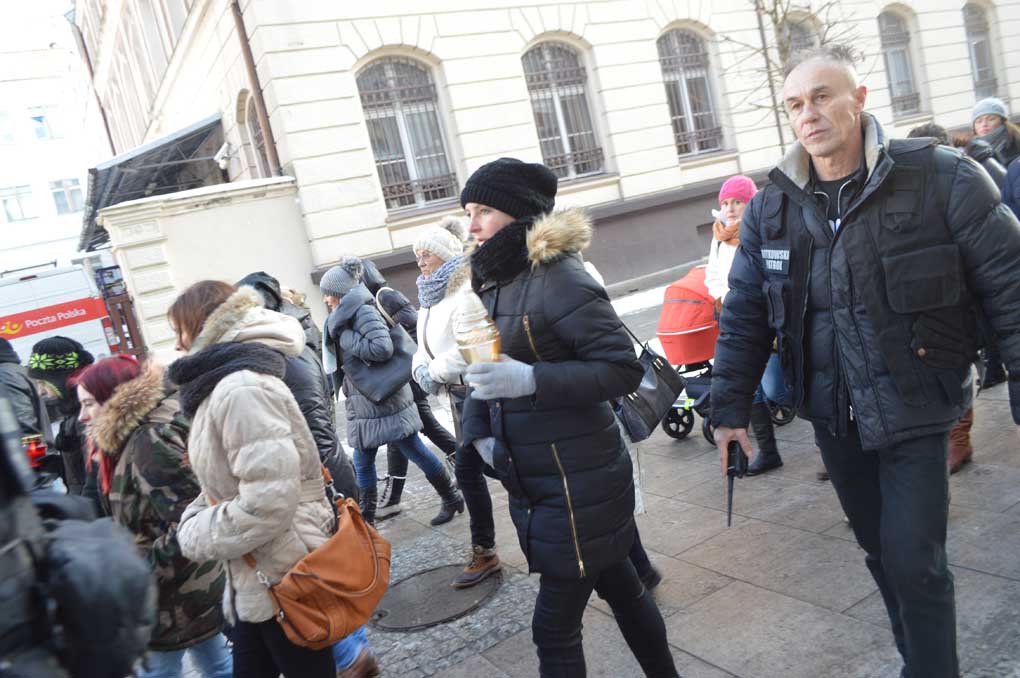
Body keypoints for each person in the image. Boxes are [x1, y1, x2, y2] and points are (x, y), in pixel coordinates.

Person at [711, 45, 1020, 678]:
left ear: (859, 99)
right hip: (833, 415)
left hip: (917, 401)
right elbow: (744, 314)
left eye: (822, 96)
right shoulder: (773, 207)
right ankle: (918, 661)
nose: (808, 114)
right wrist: (730, 408)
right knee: (880, 554)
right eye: (795, 104)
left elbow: (1009, 283)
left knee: (915, 562)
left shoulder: (942, 177)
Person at [458, 157, 678, 677]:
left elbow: (621, 369)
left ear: (518, 213)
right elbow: (488, 367)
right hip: (543, 474)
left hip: (577, 479)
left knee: (553, 630)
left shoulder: (559, 278)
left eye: (483, 211)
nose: (472, 226)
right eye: (468, 213)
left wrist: (532, 380)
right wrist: (479, 431)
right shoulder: (497, 278)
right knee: (623, 587)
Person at [168, 281, 339, 678]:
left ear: (203, 326)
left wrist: (195, 533)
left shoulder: (240, 389)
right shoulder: (223, 385)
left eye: (180, 331)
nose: (177, 344)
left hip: (283, 572)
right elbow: (226, 484)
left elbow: (269, 502)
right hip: (257, 574)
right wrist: (196, 515)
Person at [73, 355, 231, 678]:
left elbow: (189, 520)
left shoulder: (148, 440)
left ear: (113, 398)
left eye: (88, 404)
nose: (82, 416)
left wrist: (142, 573)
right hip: (182, 586)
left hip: (174, 590)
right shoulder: (131, 435)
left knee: (163, 671)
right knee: (216, 663)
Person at [321, 258, 463, 527]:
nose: (326, 299)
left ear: (340, 292)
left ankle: (449, 497)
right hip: (365, 401)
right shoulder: (342, 316)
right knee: (368, 459)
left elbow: (382, 348)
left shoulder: (362, 312)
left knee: (409, 450)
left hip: (383, 399)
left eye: (328, 293)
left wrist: (345, 338)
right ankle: (369, 520)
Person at [411, 215, 505, 588]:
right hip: (455, 398)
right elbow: (421, 347)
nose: (421, 262)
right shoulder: (428, 297)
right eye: (417, 255)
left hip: (476, 393)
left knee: (481, 469)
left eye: (427, 254)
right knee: (477, 469)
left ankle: (487, 550)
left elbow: (472, 348)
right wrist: (420, 369)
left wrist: (433, 372)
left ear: (445, 255)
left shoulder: (464, 292)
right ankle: (487, 549)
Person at [236, 272, 358, 500]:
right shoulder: (283, 339)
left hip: (323, 492)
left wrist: (345, 504)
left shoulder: (288, 353)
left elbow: (321, 442)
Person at [358, 258, 459, 520]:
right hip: (402, 379)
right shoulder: (373, 300)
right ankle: (394, 498)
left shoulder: (384, 296)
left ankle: (464, 466)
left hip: (408, 378)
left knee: (422, 429)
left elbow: (413, 329)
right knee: (401, 437)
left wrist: (410, 366)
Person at [704, 174, 786, 476]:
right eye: (725, 202)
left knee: (777, 387)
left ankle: (827, 439)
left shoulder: (760, 230)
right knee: (753, 392)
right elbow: (712, 274)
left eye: (737, 202)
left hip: (764, 317)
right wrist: (726, 297)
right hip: (734, 316)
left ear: (749, 202)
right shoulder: (718, 235)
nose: (730, 208)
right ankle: (768, 452)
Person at [907, 123, 978, 474]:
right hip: (929, 295)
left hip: (962, 293)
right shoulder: (910, 187)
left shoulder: (965, 180)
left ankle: (960, 438)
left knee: (959, 366)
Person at [26, 337, 95, 497]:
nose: (40, 391)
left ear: (59, 380)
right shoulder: (72, 412)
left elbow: (95, 482)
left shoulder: (85, 417)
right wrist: (47, 463)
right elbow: (78, 470)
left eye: (43, 383)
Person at [0, 338, 50, 441]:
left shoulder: (4, 376)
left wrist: (30, 447)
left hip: (28, 448)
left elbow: (24, 424)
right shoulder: (17, 371)